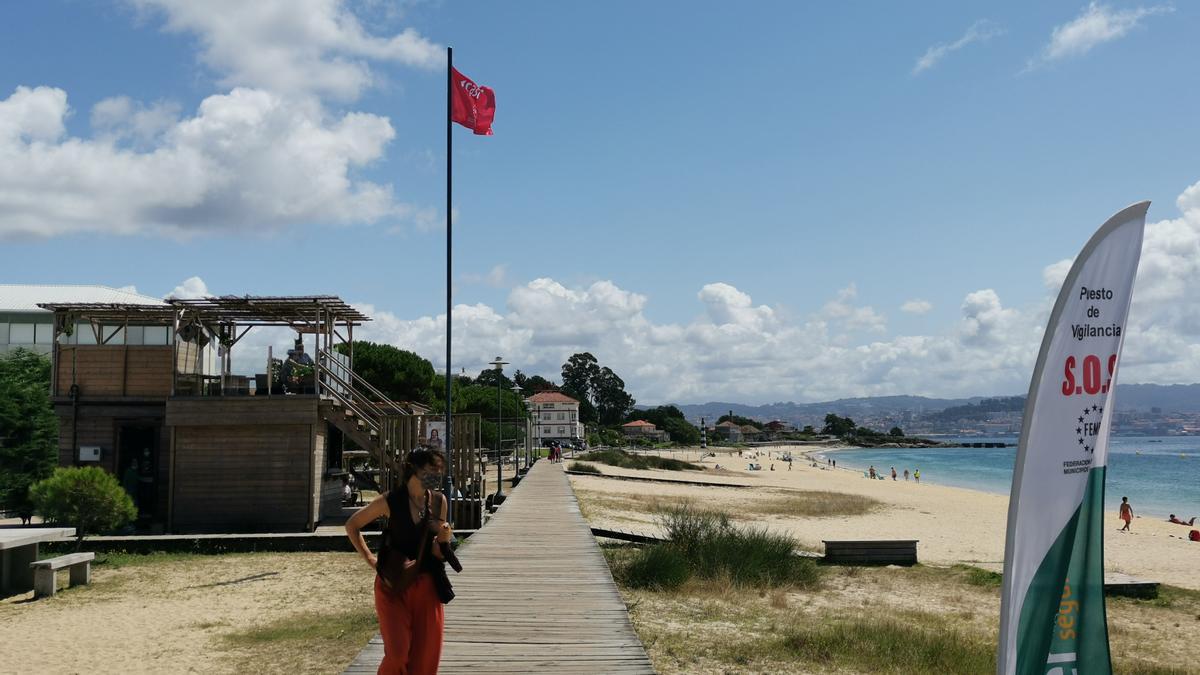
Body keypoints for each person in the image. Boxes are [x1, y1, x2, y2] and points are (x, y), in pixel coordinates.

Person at [346, 448, 453, 675]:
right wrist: (370, 559)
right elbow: (352, 525)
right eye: (431, 469)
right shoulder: (390, 501)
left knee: (425, 659)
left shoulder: (438, 501)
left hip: (427, 587)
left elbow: (436, 552)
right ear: (413, 469)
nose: (437, 475)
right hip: (393, 586)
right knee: (397, 654)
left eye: (439, 470)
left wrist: (443, 540)